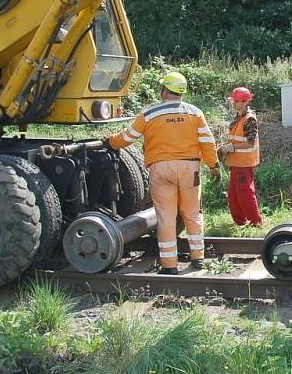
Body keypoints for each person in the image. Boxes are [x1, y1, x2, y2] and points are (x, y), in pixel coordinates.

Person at [105, 71, 220, 274]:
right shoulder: (195, 113)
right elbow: (207, 142)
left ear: (165, 90)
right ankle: (198, 259)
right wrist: (214, 166)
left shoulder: (150, 114)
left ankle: (169, 266)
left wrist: (110, 141)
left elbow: (127, 137)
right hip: (189, 169)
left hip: (161, 169)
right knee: (193, 214)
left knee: (166, 216)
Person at [218, 87, 263, 227]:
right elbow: (236, 139)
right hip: (236, 163)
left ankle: (256, 222)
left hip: (244, 163)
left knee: (245, 194)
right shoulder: (239, 118)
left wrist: (231, 148)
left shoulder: (249, 119)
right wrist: (224, 146)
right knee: (233, 196)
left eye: (236, 101)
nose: (233, 103)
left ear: (245, 102)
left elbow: (249, 143)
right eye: (233, 100)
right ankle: (240, 222)